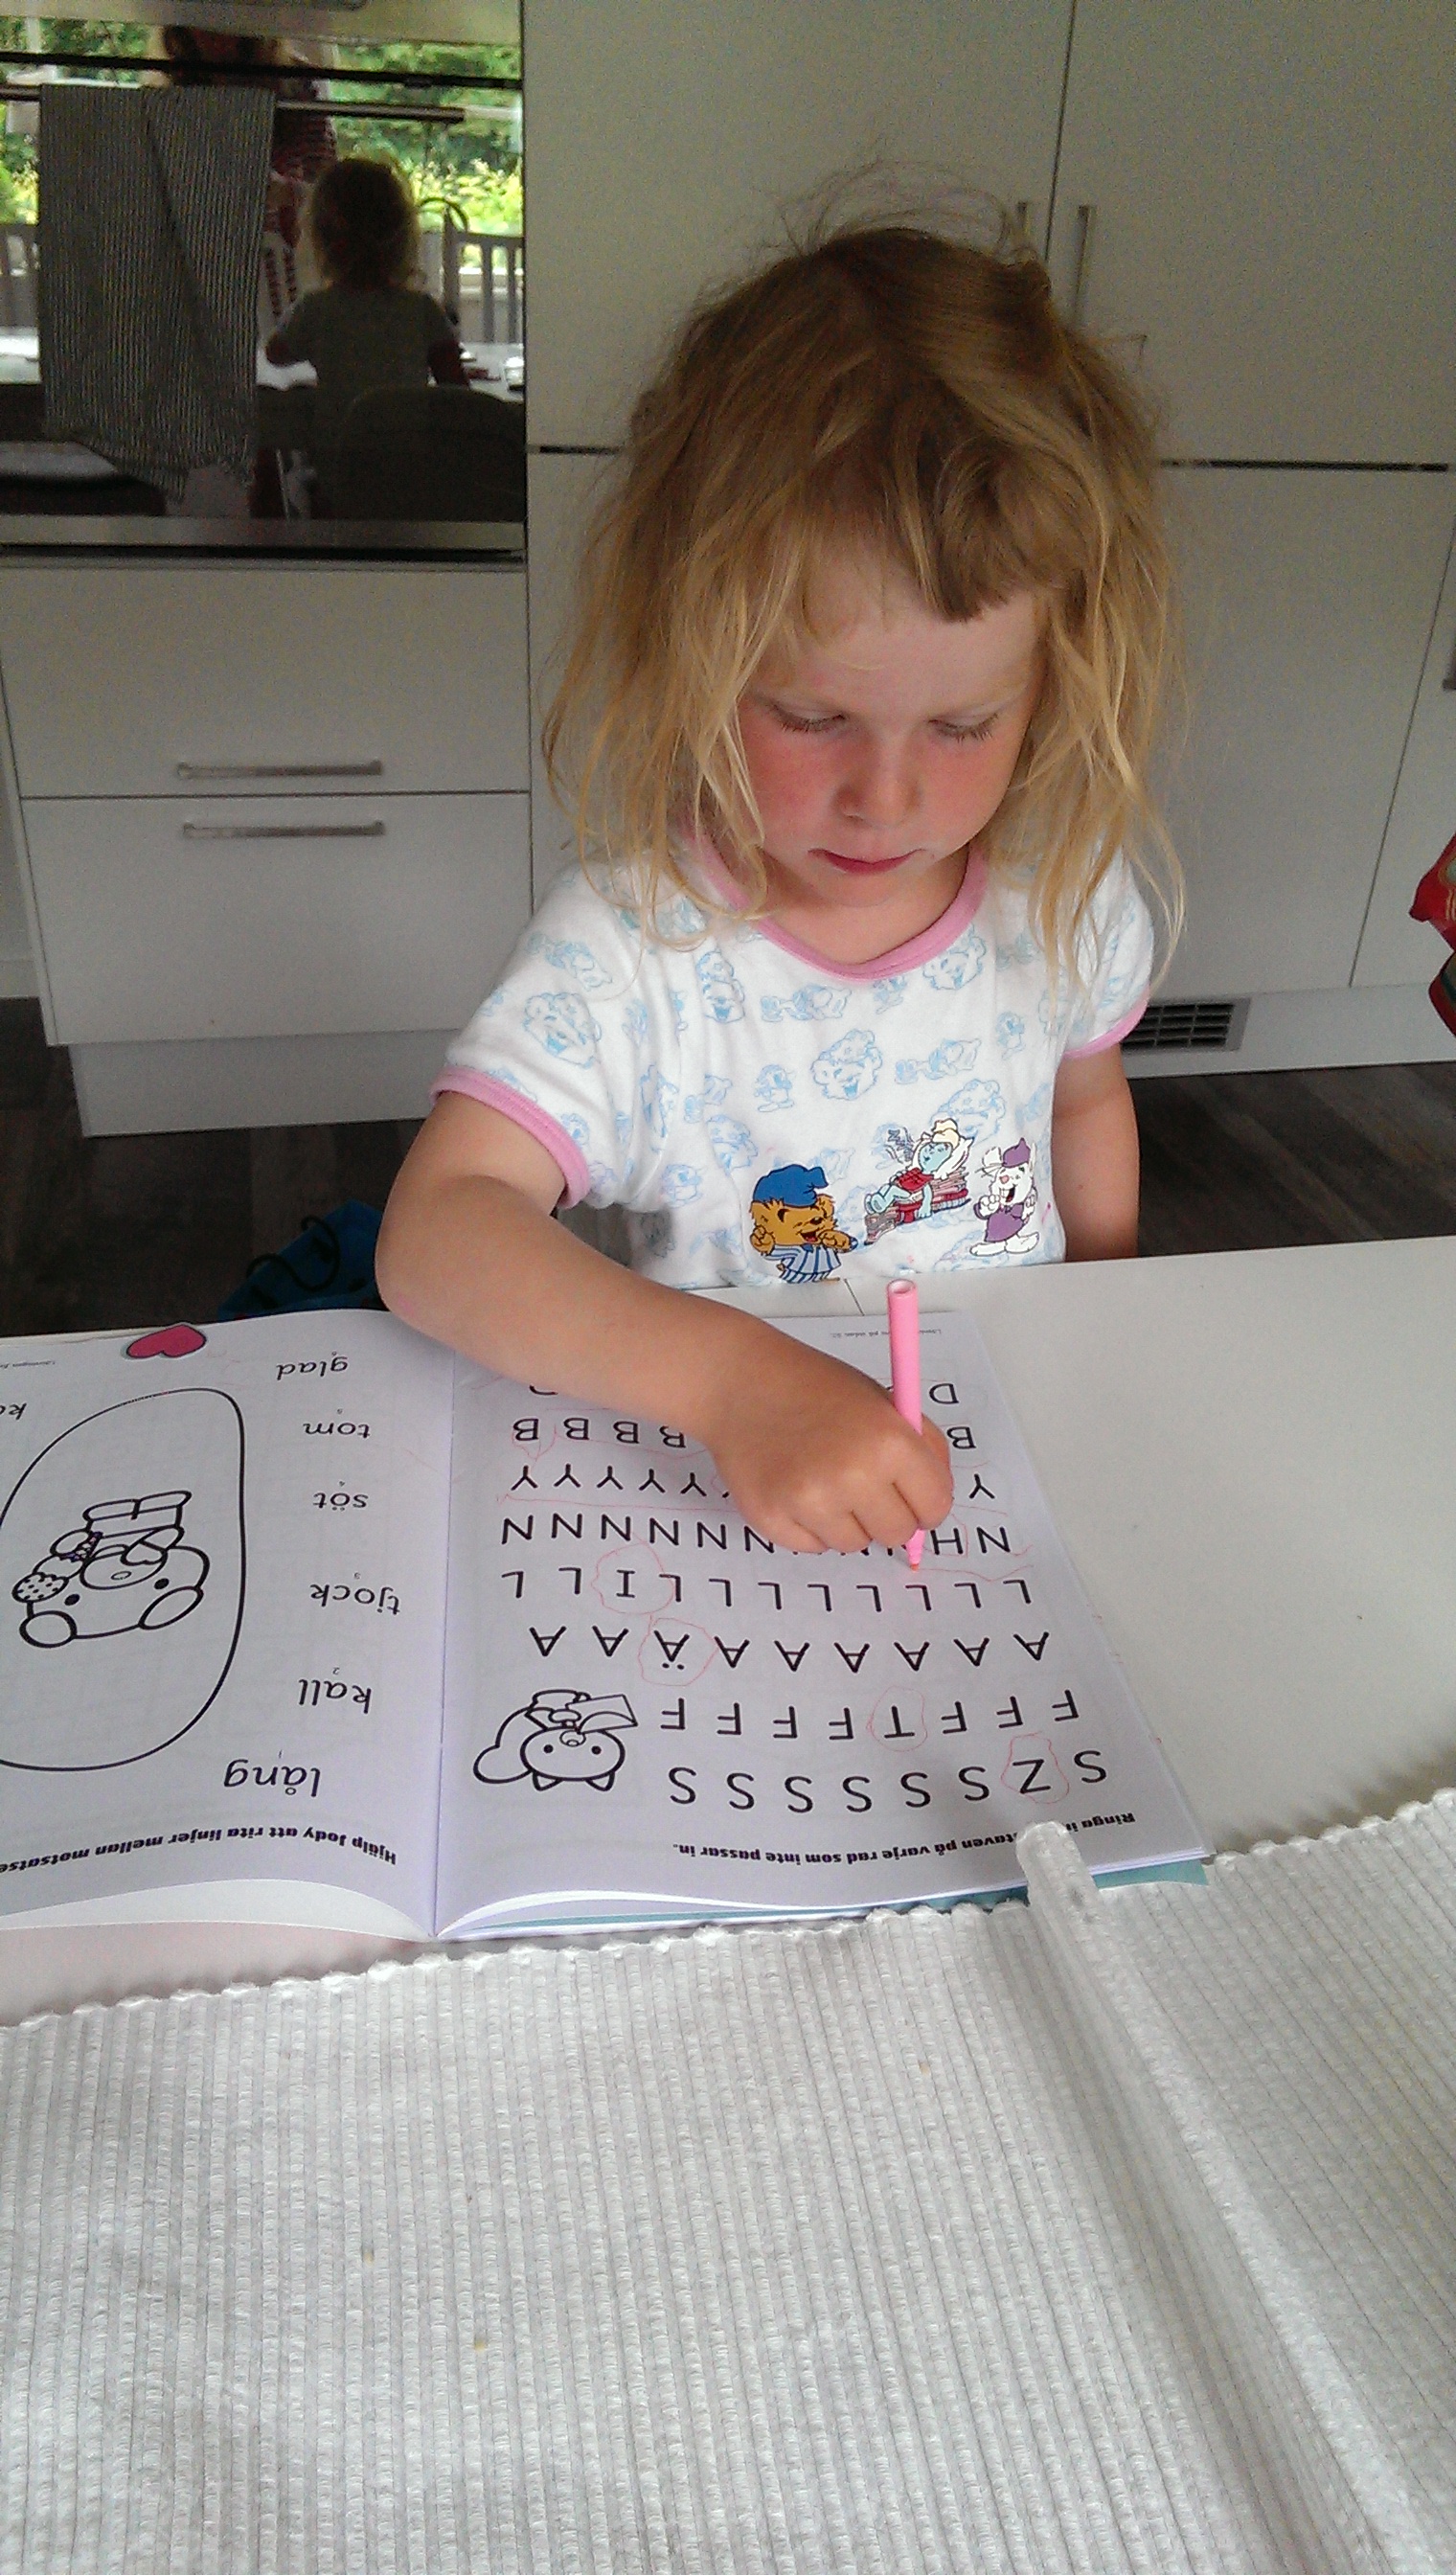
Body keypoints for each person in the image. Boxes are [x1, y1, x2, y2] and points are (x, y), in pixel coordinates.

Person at [376, 215, 1178, 1556]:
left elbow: (1085, 1096)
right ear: (690, 651)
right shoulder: (634, 948)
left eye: (963, 725)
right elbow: (436, 1235)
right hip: (727, 1488)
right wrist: (735, 1387)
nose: (887, 799)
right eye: (811, 718)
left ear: (1052, 685)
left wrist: (1112, 1310)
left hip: (1008, 1456)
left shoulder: (1065, 902)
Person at [265, 156, 466, 507]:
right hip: (411, 480)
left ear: (320, 239)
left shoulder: (316, 309)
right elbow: (457, 394)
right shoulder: (422, 310)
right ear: (402, 236)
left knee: (291, 479)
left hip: (340, 480)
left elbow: (275, 353)